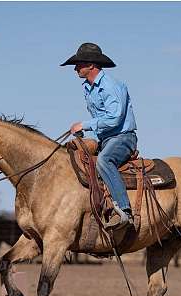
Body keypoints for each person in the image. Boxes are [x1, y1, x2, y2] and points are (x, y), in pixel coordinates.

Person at [61, 43, 138, 230]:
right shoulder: (89, 88)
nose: (75, 68)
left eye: (79, 64)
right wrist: (86, 135)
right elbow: (100, 120)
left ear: (91, 65)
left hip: (123, 137)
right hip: (105, 138)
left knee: (104, 160)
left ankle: (124, 210)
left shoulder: (111, 86)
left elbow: (114, 118)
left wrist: (84, 125)